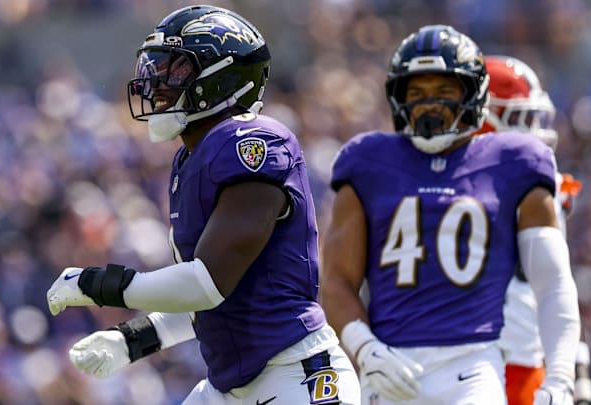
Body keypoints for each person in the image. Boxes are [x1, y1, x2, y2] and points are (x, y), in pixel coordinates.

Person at [45, 5, 360, 405]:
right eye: (155, 67)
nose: (156, 82)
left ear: (221, 78)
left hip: (295, 376)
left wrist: (98, 285)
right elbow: (206, 304)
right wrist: (131, 340)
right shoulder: (188, 161)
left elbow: (205, 284)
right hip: (229, 387)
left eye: (175, 70)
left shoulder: (255, 142)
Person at [320, 24, 581, 405]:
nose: (430, 104)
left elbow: (554, 284)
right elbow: (337, 280)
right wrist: (365, 348)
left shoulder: (515, 162)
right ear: (398, 97)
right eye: (417, 92)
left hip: (473, 366)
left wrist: (561, 377)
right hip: (391, 363)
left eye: (445, 91)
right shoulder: (367, 162)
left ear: (473, 94)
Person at [480, 55, 591, 405]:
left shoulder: (542, 190)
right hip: (464, 360)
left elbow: (556, 286)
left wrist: (575, 367)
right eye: (521, 118)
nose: (534, 128)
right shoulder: (445, 189)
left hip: (524, 364)